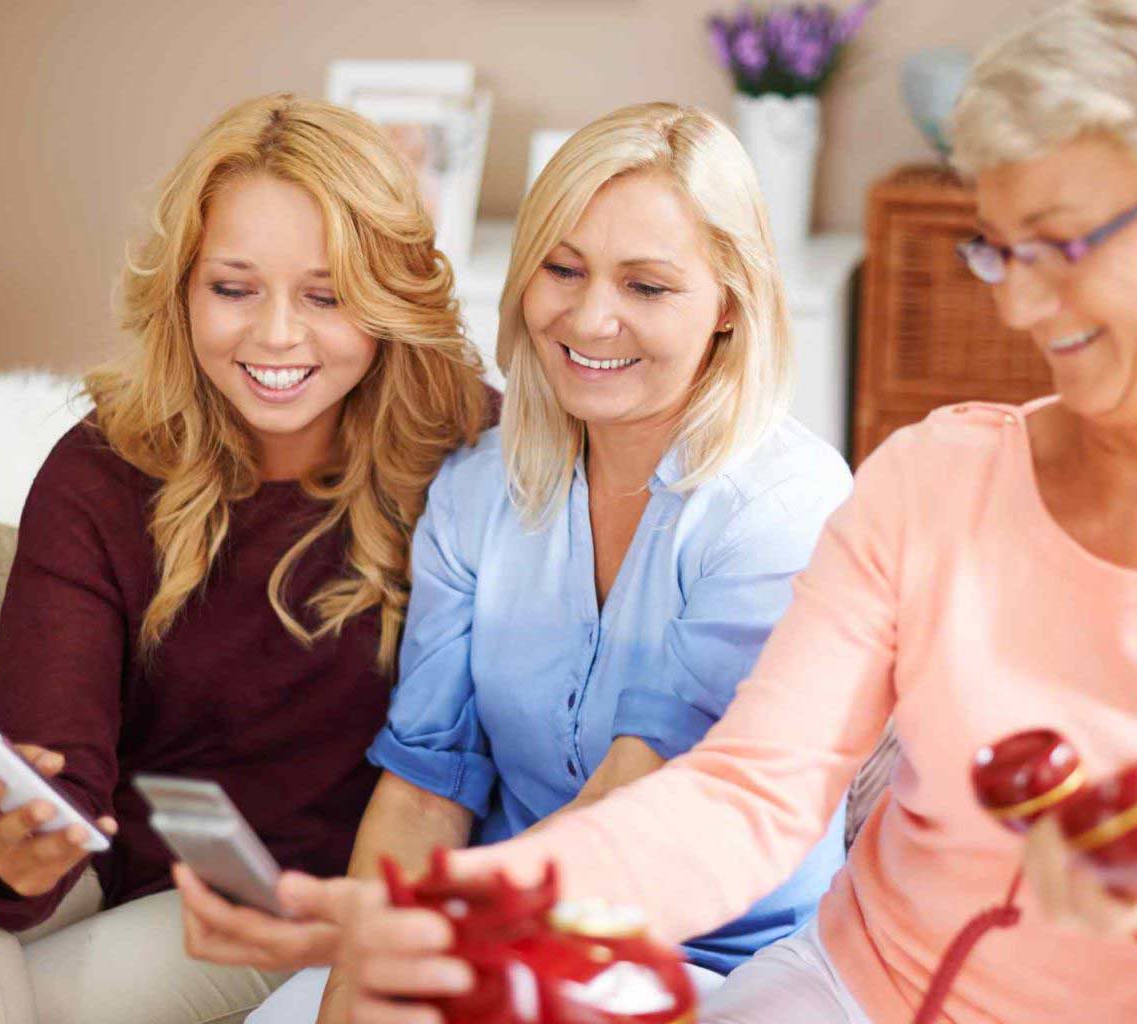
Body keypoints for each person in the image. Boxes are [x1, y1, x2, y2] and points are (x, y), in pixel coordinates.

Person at [321, 3, 1137, 1022]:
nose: (1018, 304)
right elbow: (748, 792)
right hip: (846, 995)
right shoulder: (938, 477)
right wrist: (452, 907)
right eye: (996, 248)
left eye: (1057, 244)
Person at [177, 100, 853, 1024]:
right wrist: (362, 982)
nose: (590, 316)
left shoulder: (782, 510)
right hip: (494, 931)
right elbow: (424, 789)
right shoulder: (476, 488)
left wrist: (420, 935)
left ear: (730, 304)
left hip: (715, 959)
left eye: (647, 287)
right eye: (563, 269)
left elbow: (637, 793)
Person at [0, 92, 492, 1024]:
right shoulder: (100, 469)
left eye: (326, 293)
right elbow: (53, 778)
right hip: (114, 844)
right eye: (234, 288)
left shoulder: (469, 460)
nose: (274, 337)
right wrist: (11, 863)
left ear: (388, 299)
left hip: (285, 895)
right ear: (182, 290)